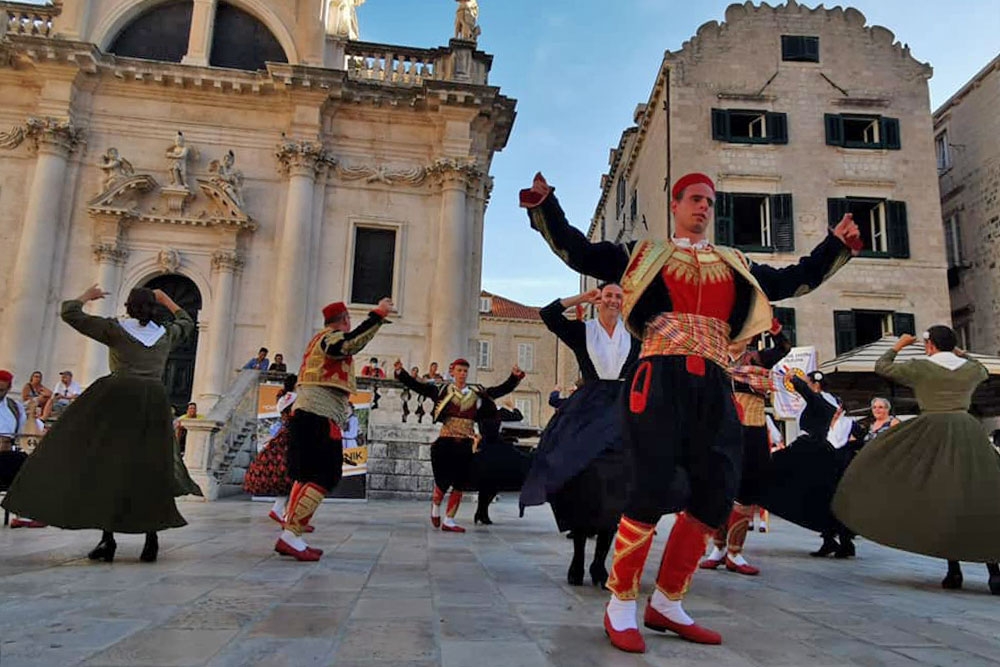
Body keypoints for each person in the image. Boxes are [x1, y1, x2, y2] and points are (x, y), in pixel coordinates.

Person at [520, 171, 859, 653]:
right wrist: (545, 207)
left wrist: (834, 246)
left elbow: (791, 279)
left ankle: (667, 601)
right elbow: (579, 250)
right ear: (675, 205)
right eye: (695, 199)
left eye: (709, 201)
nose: (704, 207)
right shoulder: (641, 255)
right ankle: (620, 602)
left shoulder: (734, 262)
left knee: (717, 490)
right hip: (657, 378)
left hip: (715, 381)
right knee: (650, 486)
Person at [2, 285, 203, 561]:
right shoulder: (165, 335)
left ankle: (107, 540)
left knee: (109, 465)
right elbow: (186, 321)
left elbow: (70, 312)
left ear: (128, 307)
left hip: (118, 399)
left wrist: (87, 295)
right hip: (154, 402)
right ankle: (151, 540)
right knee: (150, 468)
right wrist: (165, 298)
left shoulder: (115, 329)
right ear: (152, 308)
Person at [833, 328, 1000, 595]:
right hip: (967, 430)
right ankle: (994, 571)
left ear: (930, 345)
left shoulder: (921, 366)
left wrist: (899, 345)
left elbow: (882, 366)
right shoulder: (971, 370)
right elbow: (979, 366)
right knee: (980, 494)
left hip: (932, 429)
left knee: (939, 495)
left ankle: (953, 570)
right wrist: (958, 352)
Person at [521, 285, 640, 589]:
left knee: (616, 487)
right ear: (599, 301)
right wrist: (582, 298)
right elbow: (548, 315)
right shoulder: (583, 331)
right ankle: (577, 556)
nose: (612, 300)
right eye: (607, 296)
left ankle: (600, 561)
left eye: (618, 296)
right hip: (587, 409)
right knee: (581, 482)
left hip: (620, 412)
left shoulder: (635, 338)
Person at [276, 298, 392, 561]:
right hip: (319, 416)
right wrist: (377, 316)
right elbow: (350, 343)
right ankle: (290, 535)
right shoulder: (331, 338)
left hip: (308, 415)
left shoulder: (318, 339)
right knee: (324, 476)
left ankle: (291, 531)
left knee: (306, 476)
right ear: (344, 320)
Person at [701, 319, 790, 576]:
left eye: (741, 334)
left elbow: (783, 348)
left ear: (749, 338)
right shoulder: (715, 361)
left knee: (747, 488)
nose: (736, 338)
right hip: (721, 427)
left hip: (752, 426)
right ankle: (717, 548)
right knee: (718, 486)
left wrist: (776, 331)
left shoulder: (758, 359)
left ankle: (735, 552)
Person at [395, 359, 523, 533]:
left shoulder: (476, 393)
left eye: (465, 371)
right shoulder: (441, 390)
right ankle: (435, 506)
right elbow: (419, 387)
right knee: (442, 481)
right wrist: (401, 373)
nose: (463, 374)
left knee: (460, 482)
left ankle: (449, 520)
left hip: (466, 443)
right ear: (452, 372)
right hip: (446, 441)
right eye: (460, 370)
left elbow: (498, 390)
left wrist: (514, 378)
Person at [764, 369, 863, 559]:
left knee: (818, 493)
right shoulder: (824, 400)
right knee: (819, 495)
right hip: (814, 451)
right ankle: (832, 540)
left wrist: (794, 379)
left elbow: (811, 397)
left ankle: (841, 541)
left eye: (808, 382)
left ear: (815, 384)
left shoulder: (823, 399)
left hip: (815, 451)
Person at [244, 374, 308, 531]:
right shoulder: (297, 398)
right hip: (294, 436)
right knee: (295, 475)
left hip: (284, 433)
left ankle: (286, 515)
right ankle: (282, 512)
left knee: (288, 477)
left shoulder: (282, 397)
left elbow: (282, 411)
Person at [470, 398, 531, 525]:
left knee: (491, 484)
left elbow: (517, 416)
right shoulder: (484, 412)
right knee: (487, 483)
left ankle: (481, 512)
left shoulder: (497, 412)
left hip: (494, 448)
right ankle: (481, 512)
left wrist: (512, 406)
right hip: (488, 448)